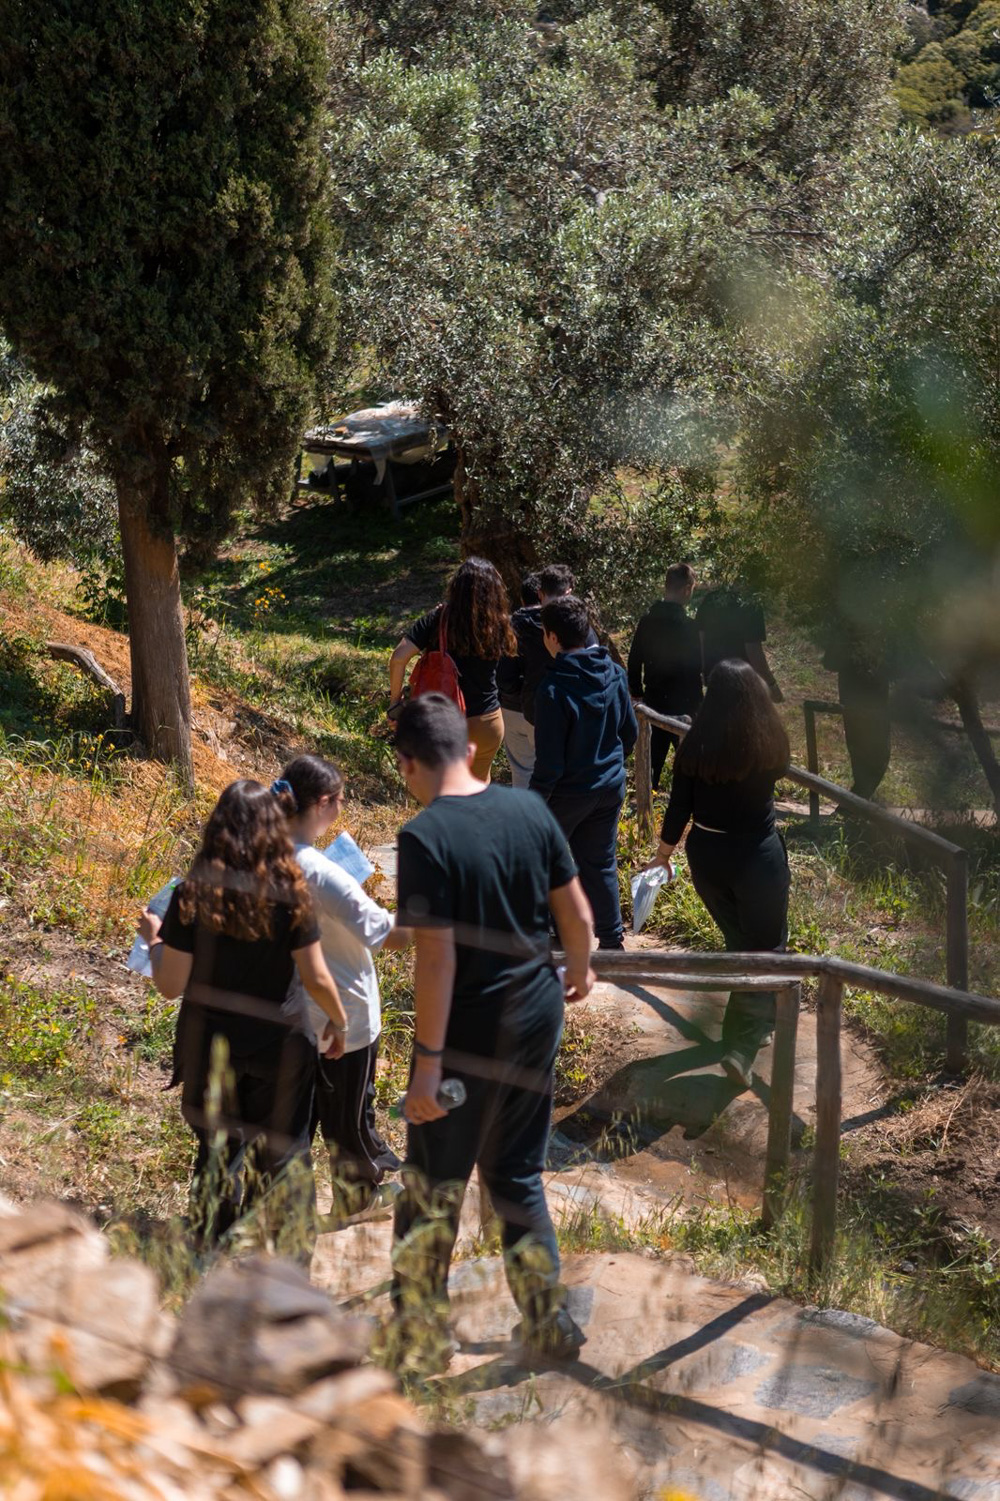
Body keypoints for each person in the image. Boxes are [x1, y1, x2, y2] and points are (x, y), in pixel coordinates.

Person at [389, 693, 595, 1373]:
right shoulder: (528, 808)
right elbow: (578, 915)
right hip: (537, 1015)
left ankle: (421, 1336)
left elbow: (436, 956)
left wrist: (426, 1065)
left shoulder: (423, 836)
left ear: (406, 764)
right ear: (473, 749)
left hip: (468, 1036)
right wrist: (582, 967)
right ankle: (548, 1319)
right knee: (515, 1172)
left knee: (430, 1183)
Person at [137, 780, 349, 1251]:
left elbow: (171, 985)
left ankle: (208, 1247)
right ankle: (295, 1264)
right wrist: (337, 1021)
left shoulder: (194, 893)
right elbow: (315, 976)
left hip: (211, 1042)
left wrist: (155, 940)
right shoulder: (292, 890)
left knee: (215, 1147)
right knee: (289, 1153)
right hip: (282, 1044)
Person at [643, 659, 791, 1091]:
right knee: (763, 949)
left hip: (707, 857)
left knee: (740, 943)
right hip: (757, 858)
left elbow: (678, 807)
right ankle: (740, 1048)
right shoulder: (769, 740)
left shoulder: (695, 744)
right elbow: (779, 771)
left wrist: (662, 855)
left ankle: (759, 1021)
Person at [276, 754, 412, 1220]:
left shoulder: (259, 853)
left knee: (296, 1120)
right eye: (340, 799)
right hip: (343, 1013)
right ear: (324, 804)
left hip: (289, 1013)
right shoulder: (321, 872)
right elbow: (388, 935)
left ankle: (280, 1208)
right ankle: (356, 1199)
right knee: (349, 1117)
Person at [529, 595, 638, 951]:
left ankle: (557, 936)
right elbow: (629, 733)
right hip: (609, 787)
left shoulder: (553, 689)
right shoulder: (614, 673)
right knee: (600, 862)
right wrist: (609, 766)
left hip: (568, 793)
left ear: (552, 637)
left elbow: (550, 765)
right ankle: (611, 942)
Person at [388, 556, 516, 783]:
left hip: (444, 722)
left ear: (456, 586)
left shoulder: (438, 618)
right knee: (478, 791)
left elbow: (399, 658)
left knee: (443, 793)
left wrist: (395, 703)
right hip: (487, 722)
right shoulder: (500, 623)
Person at [498, 563, 598, 790]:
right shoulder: (578, 625)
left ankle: (527, 822)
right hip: (570, 712)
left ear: (540, 593)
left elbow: (504, 678)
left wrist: (522, 693)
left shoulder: (515, 625)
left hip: (524, 709)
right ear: (569, 592)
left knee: (524, 773)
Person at [627, 562, 703, 788]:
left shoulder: (647, 620)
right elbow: (696, 666)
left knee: (651, 763)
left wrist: (638, 693)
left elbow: (634, 660)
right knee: (693, 765)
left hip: (655, 700)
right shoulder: (689, 626)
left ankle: (645, 810)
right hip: (686, 703)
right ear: (687, 589)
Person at [822, 619, 891, 800]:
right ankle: (853, 806)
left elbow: (830, 661)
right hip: (869, 697)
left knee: (861, 752)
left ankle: (856, 804)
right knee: (877, 754)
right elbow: (830, 661)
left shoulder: (847, 622)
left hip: (852, 693)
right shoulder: (879, 624)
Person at [695, 583, 783, 703]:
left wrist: (704, 669)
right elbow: (754, 653)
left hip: (714, 677)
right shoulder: (751, 605)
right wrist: (771, 685)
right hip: (740, 681)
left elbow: (700, 638)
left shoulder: (711, 599)